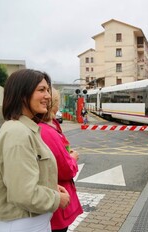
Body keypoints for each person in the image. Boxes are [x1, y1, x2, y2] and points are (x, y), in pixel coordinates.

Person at [0, 69, 70, 232]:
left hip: (32, 222)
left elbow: (28, 177)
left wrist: (51, 187)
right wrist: (56, 199)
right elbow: (24, 193)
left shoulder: (26, 129)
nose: (47, 96)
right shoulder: (17, 132)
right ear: (22, 94)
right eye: (41, 90)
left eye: (47, 90)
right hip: (23, 223)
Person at [39, 88, 83, 232]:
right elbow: (65, 169)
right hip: (57, 206)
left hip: (53, 200)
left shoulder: (48, 126)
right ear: (54, 105)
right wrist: (72, 158)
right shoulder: (47, 131)